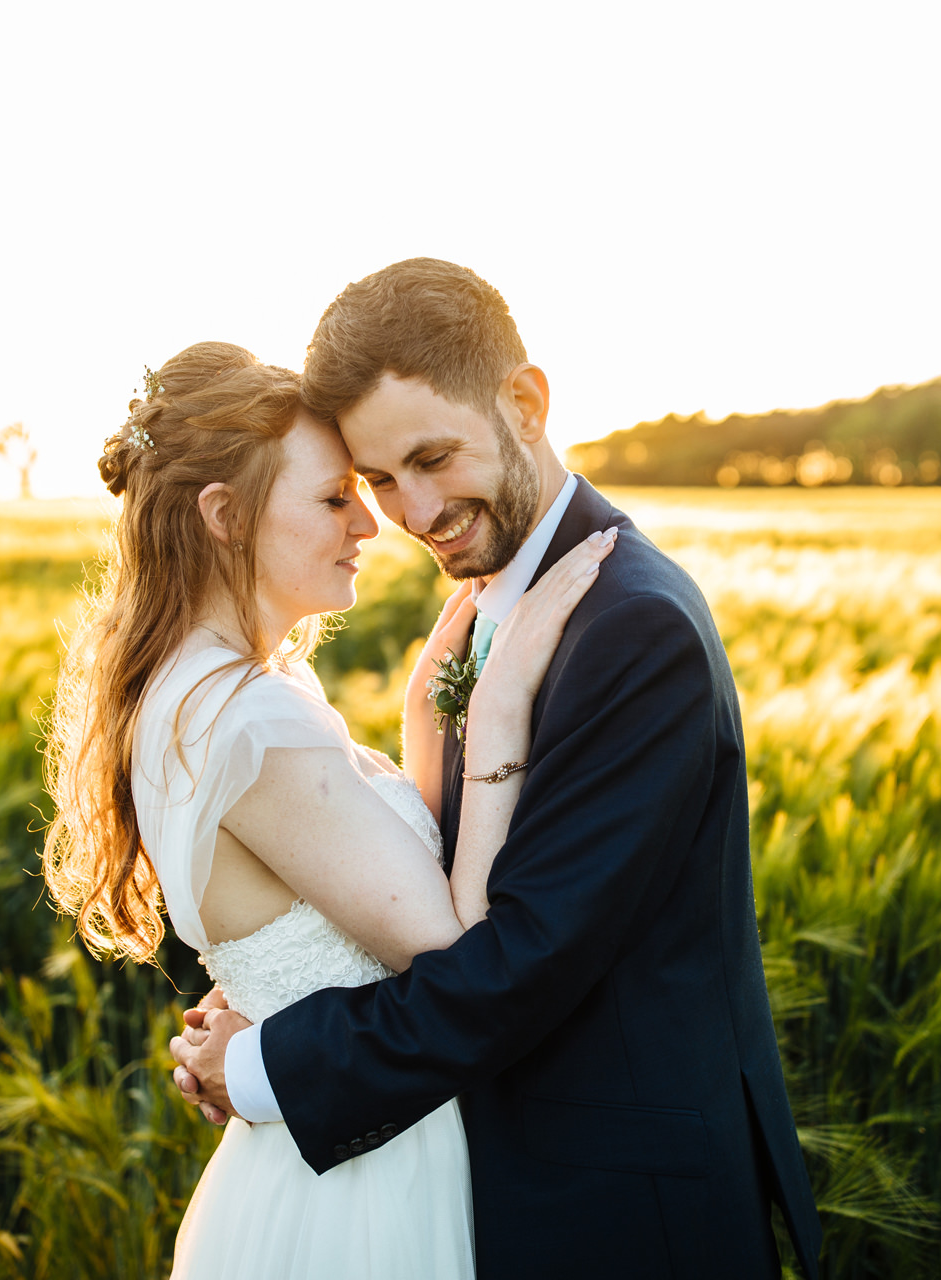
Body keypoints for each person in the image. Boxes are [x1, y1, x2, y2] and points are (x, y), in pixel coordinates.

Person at [170, 259, 823, 1279]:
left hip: (615, 1210)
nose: (414, 510)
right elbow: (436, 897)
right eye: (380, 479)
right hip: (496, 1183)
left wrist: (263, 1064)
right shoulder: (488, 606)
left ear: (524, 403)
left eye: (433, 458)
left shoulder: (630, 626)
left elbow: (519, 961)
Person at [42, 340, 617, 1279]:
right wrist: (498, 710)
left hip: (321, 1158)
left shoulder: (195, 690)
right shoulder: (251, 718)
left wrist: (426, 711)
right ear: (225, 516)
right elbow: (460, 959)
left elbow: (345, 892)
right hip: (363, 1195)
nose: (371, 522)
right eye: (333, 497)